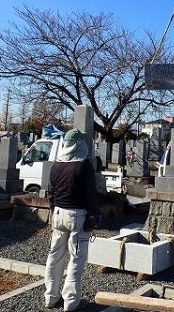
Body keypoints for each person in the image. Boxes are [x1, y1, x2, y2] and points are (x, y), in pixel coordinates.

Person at [44, 128, 100, 311]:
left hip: (58, 214)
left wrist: (53, 209)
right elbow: (91, 194)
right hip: (77, 215)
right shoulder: (83, 165)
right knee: (76, 259)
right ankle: (71, 302)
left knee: (55, 256)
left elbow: (50, 191)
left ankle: (51, 297)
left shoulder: (56, 164)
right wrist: (95, 214)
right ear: (78, 144)